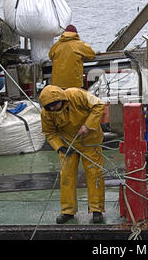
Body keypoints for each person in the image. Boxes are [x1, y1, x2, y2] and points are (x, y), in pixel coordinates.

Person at [39, 85, 106, 224]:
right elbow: (49, 132)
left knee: (95, 174)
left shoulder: (76, 94)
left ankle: (96, 209)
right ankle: (67, 211)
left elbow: (99, 104)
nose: (52, 109)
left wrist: (88, 125)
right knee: (66, 176)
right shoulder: (46, 113)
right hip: (68, 145)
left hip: (90, 142)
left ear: (62, 99)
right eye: (49, 106)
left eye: (54, 105)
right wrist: (59, 147)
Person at [49, 24, 96, 89]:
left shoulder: (57, 45)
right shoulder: (80, 44)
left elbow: (50, 56)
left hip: (58, 83)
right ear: (76, 34)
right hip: (74, 83)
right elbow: (92, 54)